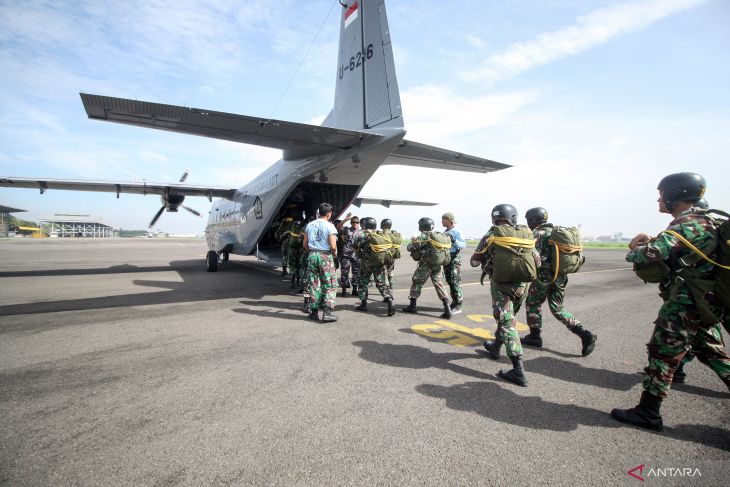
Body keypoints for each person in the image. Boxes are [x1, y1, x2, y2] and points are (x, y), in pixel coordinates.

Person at [611, 173, 730, 431]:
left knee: (662, 353)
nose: (659, 198)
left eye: (662, 193)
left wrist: (635, 247)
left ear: (675, 194)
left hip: (686, 304)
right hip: (708, 300)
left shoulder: (687, 223)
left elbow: (648, 255)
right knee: (711, 351)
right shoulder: (711, 220)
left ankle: (648, 412)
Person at [471, 204, 540, 387]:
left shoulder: (492, 233)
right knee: (507, 319)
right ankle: (495, 347)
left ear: (494, 218)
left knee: (507, 323)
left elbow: (473, 262)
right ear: (514, 217)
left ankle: (518, 371)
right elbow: (538, 261)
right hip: (522, 286)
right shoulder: (525, 233)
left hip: (501, 286)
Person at [521, 207, 597, 356]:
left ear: (532, 220)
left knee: (533, 303)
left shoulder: (537, 234)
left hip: (544, 277)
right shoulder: (556, 233)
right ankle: (584, 333)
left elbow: (534, 257)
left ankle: (535, 336)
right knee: (558, 308)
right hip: (560, 276)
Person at [402, 217, 452, 319]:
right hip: (437, 265)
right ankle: (447, 307)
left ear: (422, 226)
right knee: (439, 284)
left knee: (417, 282)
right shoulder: (437, 236)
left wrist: (414, 241)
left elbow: (409, 247)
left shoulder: (424, 237)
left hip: (426, 265)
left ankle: (412, 306)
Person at [302, 203, 339, 322]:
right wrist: (334, 255)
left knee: (314, 283)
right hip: (325, 255)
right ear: (329, 214)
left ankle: (314, 312)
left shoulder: (309, 225)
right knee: (330, 283)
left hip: (312, 255)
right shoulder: (330, 226)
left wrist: (313, 252)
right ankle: (327, 312)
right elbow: (333, 246)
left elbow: (304, 244)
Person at [353, 217, 395, 316]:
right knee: (381, 283)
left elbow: (354, 245)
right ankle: (389, 299)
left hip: (367, 263)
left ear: (365, 225)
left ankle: (363, 304)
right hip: (380, 263)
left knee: (363, 282)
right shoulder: (381, 234)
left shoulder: (362, 234)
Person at [441, 212, 466, 314]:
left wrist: (454, 240)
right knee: (450, 281)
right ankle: (454, 302)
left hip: (454, 259)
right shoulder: (445, 232)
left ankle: (458, 305)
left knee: (455, 282)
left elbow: (463, 244)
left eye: (443, 219)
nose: (442, 221)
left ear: (449, 220)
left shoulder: (456, 231)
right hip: (447, 259)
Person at [336, 213, 361, 297]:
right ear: (351, 223)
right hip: (346, 255)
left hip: (356, 255)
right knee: (344, 273)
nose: (355, 224)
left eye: (357, 222)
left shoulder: (361, 232)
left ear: (359, 223)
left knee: (356, 273)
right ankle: (344, 289)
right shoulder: (346, 230)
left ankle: (355, 289)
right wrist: (345, 219)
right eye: (353, 222)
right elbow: (338, 227)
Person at [379, 218, 399, 300]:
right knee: (390, 273)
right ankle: (391, 291)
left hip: (384, 257)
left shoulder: (382, 234)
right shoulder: (394, 234)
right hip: (392, 257)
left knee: (384, 275)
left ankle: (387, 295)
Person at [287, 220, 304, 290]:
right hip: (299, 252)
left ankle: (293, 283)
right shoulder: (302, 232)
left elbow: (285, 239)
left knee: (292, 267)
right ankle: (298, 283)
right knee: (299, 267)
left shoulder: (290, 232)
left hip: (291, 252)